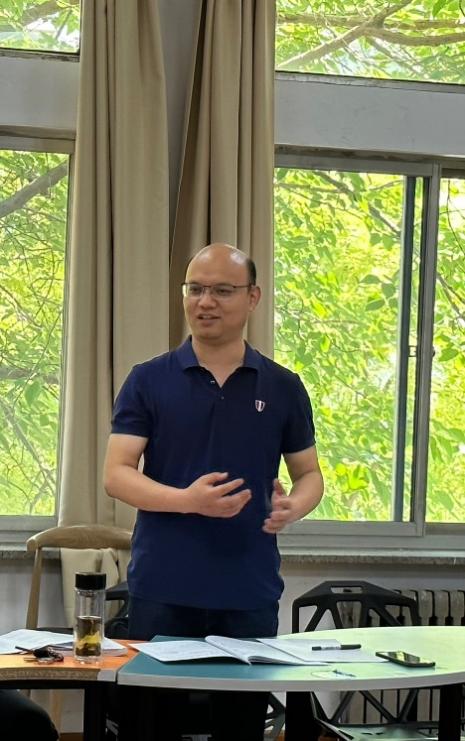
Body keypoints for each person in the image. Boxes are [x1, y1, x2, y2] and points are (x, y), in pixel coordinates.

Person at [103, 243, 324, 740]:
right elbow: (116, 474)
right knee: (152, 726)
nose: (205, 302)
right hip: (163, 586)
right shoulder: (148, 379)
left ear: (252, 297)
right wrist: (187, 501)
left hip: (248, 590)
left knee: (239, 728)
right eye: (195, 289)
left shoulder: (283, 386)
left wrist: (294, 506)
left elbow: (309, 474)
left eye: (222, 291)